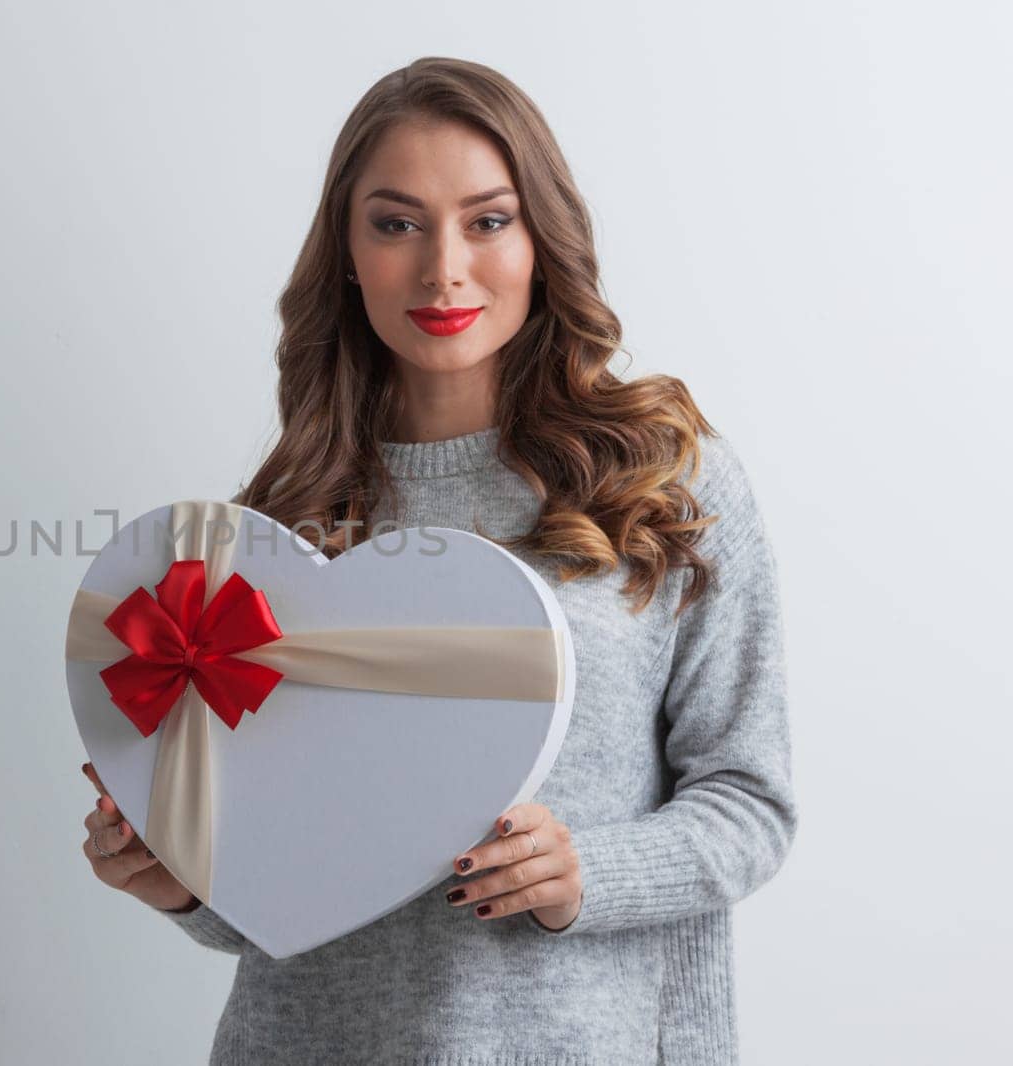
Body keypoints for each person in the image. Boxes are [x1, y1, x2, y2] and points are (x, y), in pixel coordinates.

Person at [78, 56, 796, 1065]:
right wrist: (182, 884)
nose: (442, 267)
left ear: (542, 238)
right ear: (347, 253)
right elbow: (278, 876)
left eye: (487, 220)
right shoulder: (281, 526)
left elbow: (749, 801)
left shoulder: (665, 484)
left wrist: (583, 871)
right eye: (396, 222)